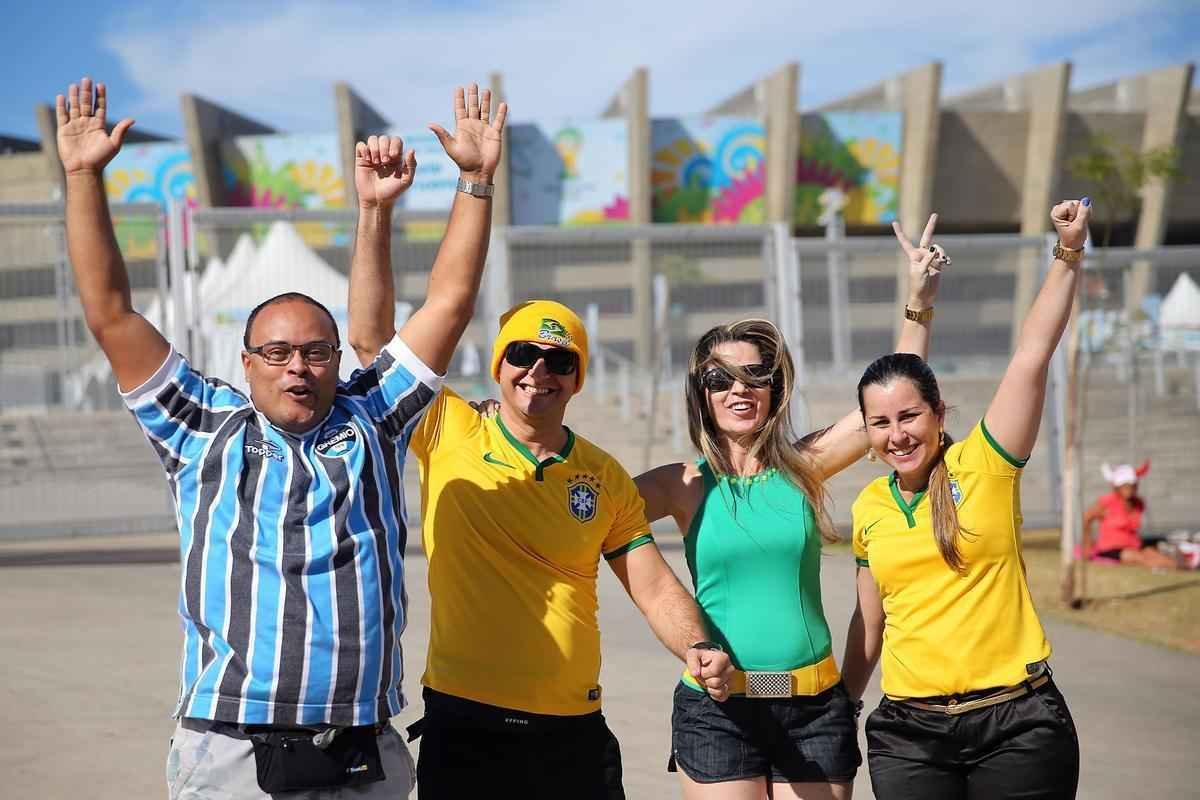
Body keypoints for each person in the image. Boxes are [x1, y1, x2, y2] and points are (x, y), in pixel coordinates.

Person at [57, 76, 503, 799]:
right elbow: (111, 314)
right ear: (247, 361)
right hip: (234, 751)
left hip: (364, 748)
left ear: (337, 358)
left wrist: (476, 182)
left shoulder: (375, 418)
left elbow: (449, 302)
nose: (297, 365)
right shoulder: (200, 426)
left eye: (317, 351)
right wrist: (82, 178)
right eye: (277, 352)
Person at [348, 222, 735, 796]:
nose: (538, 372)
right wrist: (375, 211)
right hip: (465, 722)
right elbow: (369, 340)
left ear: (577, 378)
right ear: (500, 364)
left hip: (573, 731)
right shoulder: (445, 425)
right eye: (524, 354)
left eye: (559, 361)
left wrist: (699, 646)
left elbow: (653, 588)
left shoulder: (603, 476)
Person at [631, 215, 948, 799]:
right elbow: (584, 499)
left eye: (756, 374)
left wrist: (917, 300)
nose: (738, 388)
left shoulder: (805, 465)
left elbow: (897, 392)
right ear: (701, 393)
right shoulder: (680, 482)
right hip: (718, 710)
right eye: (719, 377)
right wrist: (506, 427)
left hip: (813, 707)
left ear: (776, 387)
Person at [842, 200, 1091, 799]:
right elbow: (870, 623)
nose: (897, 433)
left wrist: (1069, 251)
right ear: (867, 433)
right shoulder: (870, 507)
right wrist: (843, 706)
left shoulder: (985, 462)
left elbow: (1032, 353)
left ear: (938, 413)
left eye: (910, 416)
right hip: (908, 735)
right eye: (880, 423)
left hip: (1019, 725)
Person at [1084, 461, 1177, 569]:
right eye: (1125, 485)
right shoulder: (1107, 502)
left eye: (1132, 485)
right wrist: (1087, 545)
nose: (1129, 489)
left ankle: (1183, 567)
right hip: (1111, 549)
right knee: (1139, 558)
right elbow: (1087, 518)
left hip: (1134, 545)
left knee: (1152, 553)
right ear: (1117, 486)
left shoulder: (1139, 503)